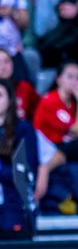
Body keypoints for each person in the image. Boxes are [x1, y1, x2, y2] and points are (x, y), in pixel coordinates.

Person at [0, 81, 63, 240]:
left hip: (14, 207)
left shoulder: (24, 130)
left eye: (0, 95)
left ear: (10, 100)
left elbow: (25, 171)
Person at [35, 61, 78, 216]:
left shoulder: (75, 105)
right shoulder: (49, 101)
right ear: (59, 79)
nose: (75, 82)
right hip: (48, 150)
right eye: (70, 77)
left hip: (70, 152)